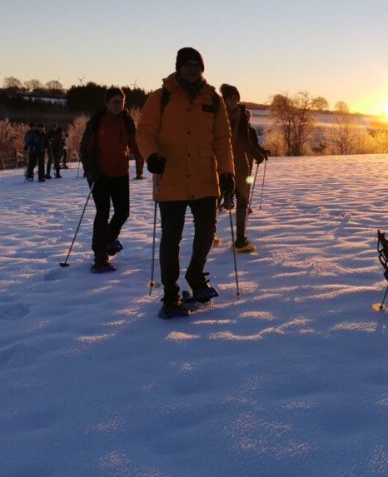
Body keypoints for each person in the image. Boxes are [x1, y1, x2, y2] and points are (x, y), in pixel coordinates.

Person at [137, 47, 235, 314]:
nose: (193, 69)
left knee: (207, 230)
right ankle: (170, 294)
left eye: (197, 65)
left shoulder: (214, 100)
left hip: (205, 175)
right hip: (171, 176)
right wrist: (151, 156)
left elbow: (223, 141)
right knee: (171, 238)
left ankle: (194, 274)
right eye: (188, 64)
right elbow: (145, 132)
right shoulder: (161, 97)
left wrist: (227, 172)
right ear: (179, 67)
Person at [79, 87, 143, 273]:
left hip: (121, 174)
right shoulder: (97, 122)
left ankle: (106, 243)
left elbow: (135, 144)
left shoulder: (127, 121)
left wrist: (148, 156)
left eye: (122, 102)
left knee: (123, 212)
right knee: (103, 212)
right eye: (116, 102)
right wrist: (91, 171)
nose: (120, 105)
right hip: (100, 175)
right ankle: (100, 257)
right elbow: (85, 149)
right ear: (107, 103)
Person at [220, 83, 269, 253]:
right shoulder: (217, 115)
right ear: (224, 100)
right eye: (230, 98)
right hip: (219, 161)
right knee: (213, 199)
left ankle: (240, 240)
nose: (234, 101)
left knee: (242, 199)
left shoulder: (242, 116)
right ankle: (210, 235)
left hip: (240, 162)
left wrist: (257, 154)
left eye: (236, 98)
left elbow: (246, 140)